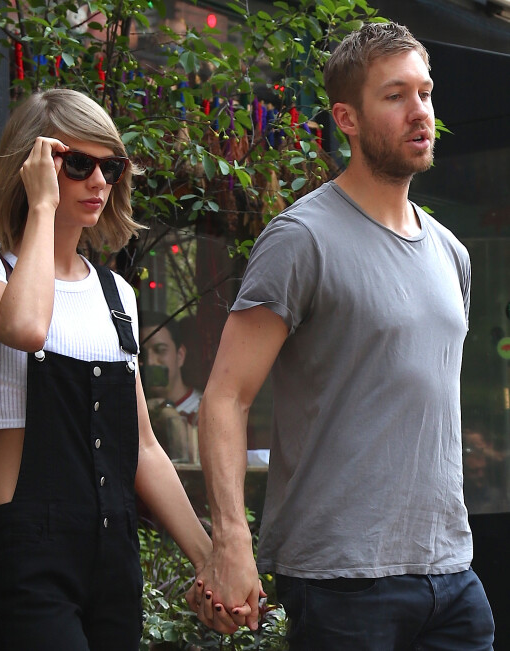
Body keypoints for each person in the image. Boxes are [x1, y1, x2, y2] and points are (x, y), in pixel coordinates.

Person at [187, 22, 495, 650]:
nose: (420, 113)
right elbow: (225, 397)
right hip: (342, 582)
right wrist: (232, 543)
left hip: (451, 572)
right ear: (345, 118)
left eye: (426, 94)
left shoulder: (452, 253)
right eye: (395, 96)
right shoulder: (302, 238)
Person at [0, 88, 223, 651]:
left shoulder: (115, 291)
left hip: (113, 551)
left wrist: (211, 558)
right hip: (26, 541)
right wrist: (43, 209)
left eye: (111, 166)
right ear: (34, 168)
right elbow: (25, 327)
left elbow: (142, 446)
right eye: (77, 164)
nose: (100, 181)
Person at [139, 311, 202, 425]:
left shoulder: (202, 409)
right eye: (141, 354)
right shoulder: (136, 408)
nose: (150, 361)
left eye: (160, 350)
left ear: (180, 355)